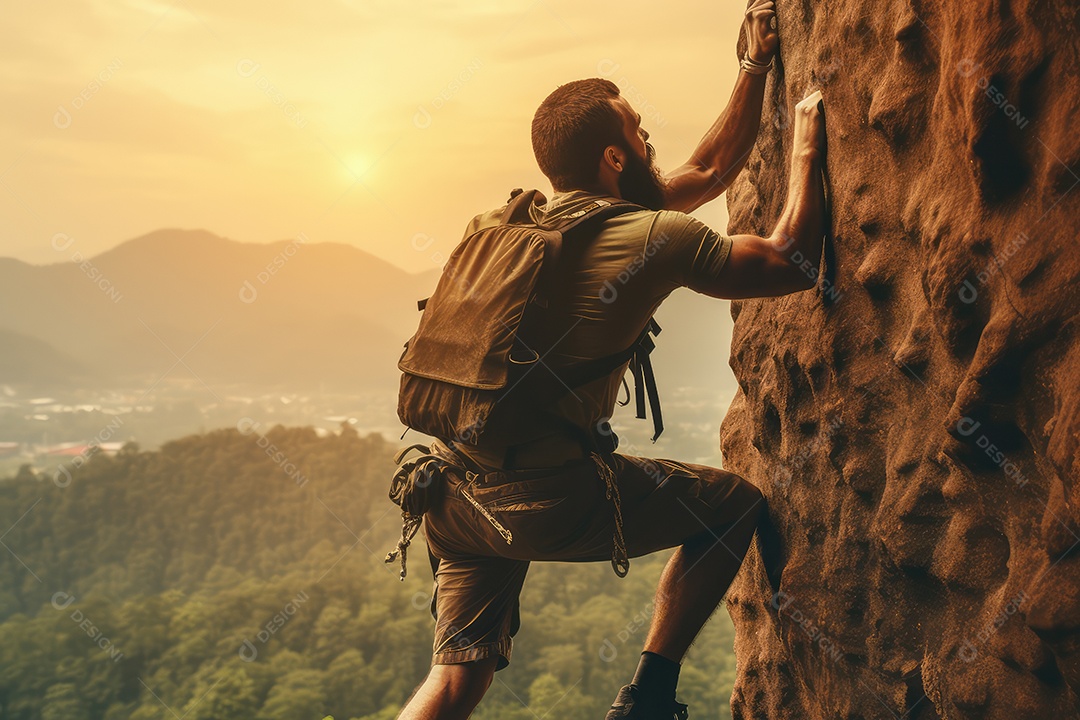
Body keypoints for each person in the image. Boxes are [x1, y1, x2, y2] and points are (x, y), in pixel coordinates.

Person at [398, 0, 827, 716]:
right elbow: (789, 261)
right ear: (614, 157)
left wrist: (753, 67)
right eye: (638, 130)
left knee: (455, 680)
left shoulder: (504, 224)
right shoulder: (655, 234)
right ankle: (649, 698)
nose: (650, 138)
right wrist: (809, 147)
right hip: (544, 500)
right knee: (731, 507)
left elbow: (710, 166)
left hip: (453, 492)